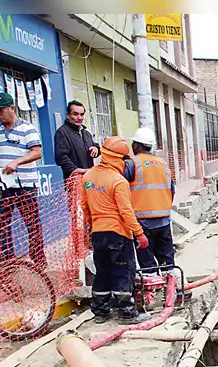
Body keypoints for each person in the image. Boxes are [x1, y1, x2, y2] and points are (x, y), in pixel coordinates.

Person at [80, 136, 150, 324]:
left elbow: (84, 206)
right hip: (118, 233)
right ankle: (126, 312)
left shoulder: (88, 177)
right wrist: (139, 233)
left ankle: (101, 311)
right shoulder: (118, 181)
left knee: (102, 271)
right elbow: (126, 211)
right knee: (123, 271)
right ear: (119, 159)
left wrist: (93, 226)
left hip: (98, 232)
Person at [0, 92, 47, 270]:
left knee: (32, 224)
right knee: (2, 225)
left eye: (2, 110)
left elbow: (37, 152)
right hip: (3, 186)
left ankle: (38, 261)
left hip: (25, 186)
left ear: (12, 108)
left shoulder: (27, 128)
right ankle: (6, 262)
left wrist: (17, 162)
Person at [128, 127, 179, 281]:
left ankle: (152, 296)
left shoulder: (132, 164)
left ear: (136, 145)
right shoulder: (162, 163)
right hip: (163, 220)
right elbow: (172, 190)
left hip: (142, 223)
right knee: (167, 262)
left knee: (148, 265)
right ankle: (173, 290)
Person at [54, 100, 99, 180]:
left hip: (89, 178)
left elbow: (95, 147)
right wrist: (76, 170)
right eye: (75, 114)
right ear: (68, 115)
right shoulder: (62, 132)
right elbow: (61, 157)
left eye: (82, 114)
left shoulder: (86, 133)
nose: (79, 118)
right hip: (74, 181)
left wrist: (96, 148)